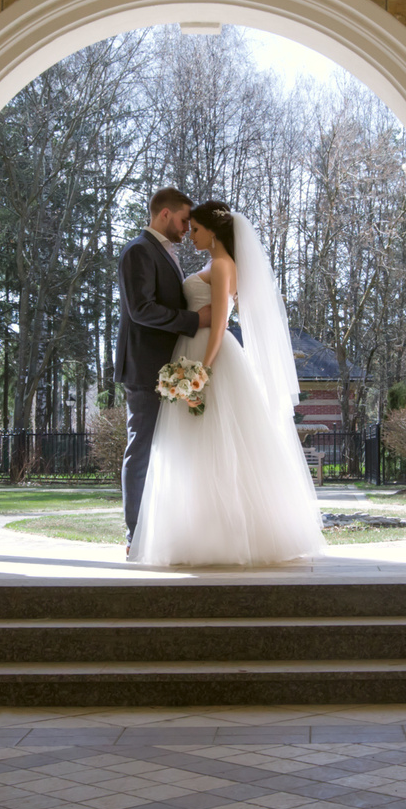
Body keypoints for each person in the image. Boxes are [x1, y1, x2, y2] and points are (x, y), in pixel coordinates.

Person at [125, 198, 325, 567]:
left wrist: (202, 370)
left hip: (207, 356)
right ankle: (196, 532)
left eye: (196, 228)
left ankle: (224, 535)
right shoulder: (211, 262)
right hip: (190, 351)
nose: (191, 234)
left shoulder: (220, 264)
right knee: (195, 451)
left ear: (212, 231)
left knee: (217, 448)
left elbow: (218, 324)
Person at [116, 187, 198, 540]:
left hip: (169, 370)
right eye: (183, 221)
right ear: (164, 214)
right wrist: (195, 321)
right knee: (142, 452)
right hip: (146, 368)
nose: (187, 229)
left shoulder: (163, 253)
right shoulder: (139, 251)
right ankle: (135, 536)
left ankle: (160, 531)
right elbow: (142, 310)